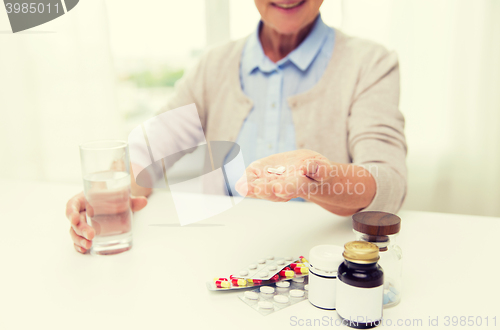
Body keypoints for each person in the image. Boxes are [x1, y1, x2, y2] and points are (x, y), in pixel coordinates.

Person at [66, 0, 407, 254]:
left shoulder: (371, 63)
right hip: (219, 258)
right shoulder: (214, 65)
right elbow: (152, 149)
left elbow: (388, 181)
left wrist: (320, 177)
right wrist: (109, 192)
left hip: (321, 266)